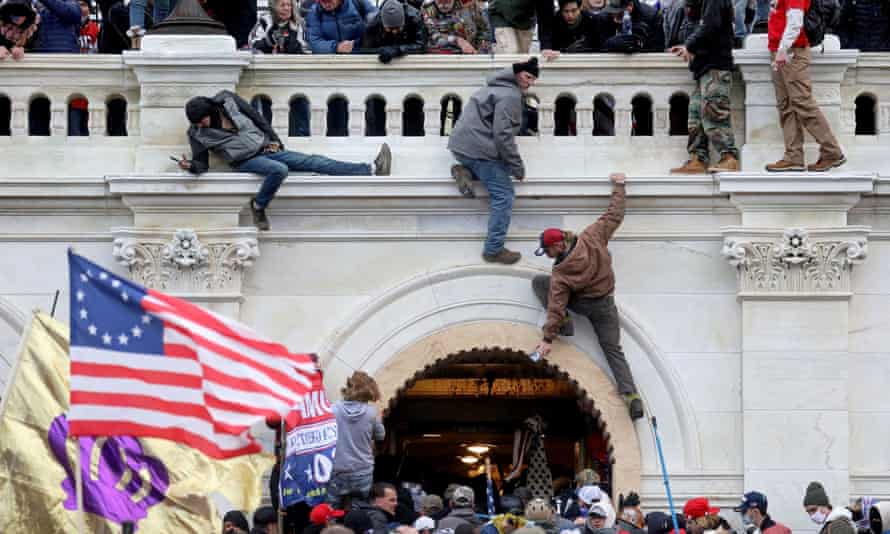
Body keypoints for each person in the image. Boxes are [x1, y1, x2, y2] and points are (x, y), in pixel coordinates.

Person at [180, 91, 391, 231]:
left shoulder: (228, 100)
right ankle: (258, 206)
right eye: (198, 123)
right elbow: (202, 164)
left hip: (267, 148)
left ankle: (371, 168)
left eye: (203, 120)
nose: (202, 125)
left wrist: (275, 141)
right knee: (279, 170)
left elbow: (257, 118)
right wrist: (191, 166)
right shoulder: (197, 133)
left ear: (210, 111)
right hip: (245, 161)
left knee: (314, 162)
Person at [531, 172, 644, 421]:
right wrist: (619, 185)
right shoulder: (592, 236)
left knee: (540, 283)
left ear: (558, 246)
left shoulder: (560, 273)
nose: (548, 255)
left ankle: (566, 326)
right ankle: (631, 395)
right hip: (605, 305)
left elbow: (556, 306)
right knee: (613, 350)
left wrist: (548, 338)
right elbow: (615, 214)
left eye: (548, 251)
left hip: (582, 304)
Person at [448, 58, 539, 265]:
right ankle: (493, 249)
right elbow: (503, 135)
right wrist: (518, 168)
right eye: (527, 76)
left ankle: (466, 170)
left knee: (496, 169)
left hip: (461, 148)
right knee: (504, 195)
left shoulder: (495, 86)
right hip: (479, 149)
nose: (530, 82)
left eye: (533, 79)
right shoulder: (510, 95)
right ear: (516, 74)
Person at [766, 0, 846, 172]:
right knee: (786, 105)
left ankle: (831, 151)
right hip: (782, 49)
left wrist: (782, 49)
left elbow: (795, 20)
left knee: (803, 103)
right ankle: (793, 156)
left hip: (791, 51)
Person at [668, 0, 739, 174]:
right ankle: (698, 159)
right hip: (703, 67)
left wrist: (689, 45)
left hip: (716, 66)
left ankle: (729, 158)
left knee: (714, 112)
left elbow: (710, 26)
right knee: (695, 115)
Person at [328, 371, 386, 508]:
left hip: (336, 470)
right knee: (361, 511)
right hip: (362, 470)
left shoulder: (333, 410)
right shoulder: (371, 413)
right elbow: (380, 435)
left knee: (331, 512)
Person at [360, 0, 426, 63]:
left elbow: (421, 45)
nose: (394, 32)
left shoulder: (415, 19)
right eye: (390, 29)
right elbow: (365, 49)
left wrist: (398, 49)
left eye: (397, 28)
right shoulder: (374, 24)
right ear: (382, 24)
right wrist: (379, 50)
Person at [306, 0, 377, 54]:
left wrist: (360, 41)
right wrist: (337, 47)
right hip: (331, 63)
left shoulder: (358, 3)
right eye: (322, 1)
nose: (326, 4)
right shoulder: (314, 13)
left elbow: (377, 22)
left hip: (361, 58)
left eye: (329, 0)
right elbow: (314, 42)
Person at [422, 0, 490, 54]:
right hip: (443, 56)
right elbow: (432, 34)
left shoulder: (470, 4)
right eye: (440, 1)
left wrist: (480, 50)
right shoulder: (427, 7)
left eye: (447, 1)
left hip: (473, 54)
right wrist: (457, 40)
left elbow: (484, 30)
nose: (443, 5)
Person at [596, 0, 664, 52]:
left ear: (630, 6)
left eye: (619, 13)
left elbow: (658, 49)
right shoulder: (604, 17)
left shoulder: (651, 17)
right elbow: (597, 48)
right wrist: (610, 43)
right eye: (612, 12)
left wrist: (641, 40)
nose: (615, 18)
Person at [487, 0, 553, 53]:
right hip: (501, 15)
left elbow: (546, 18)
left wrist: (546, 47)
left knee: (522, 56)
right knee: (511, 52)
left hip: (525, 20)